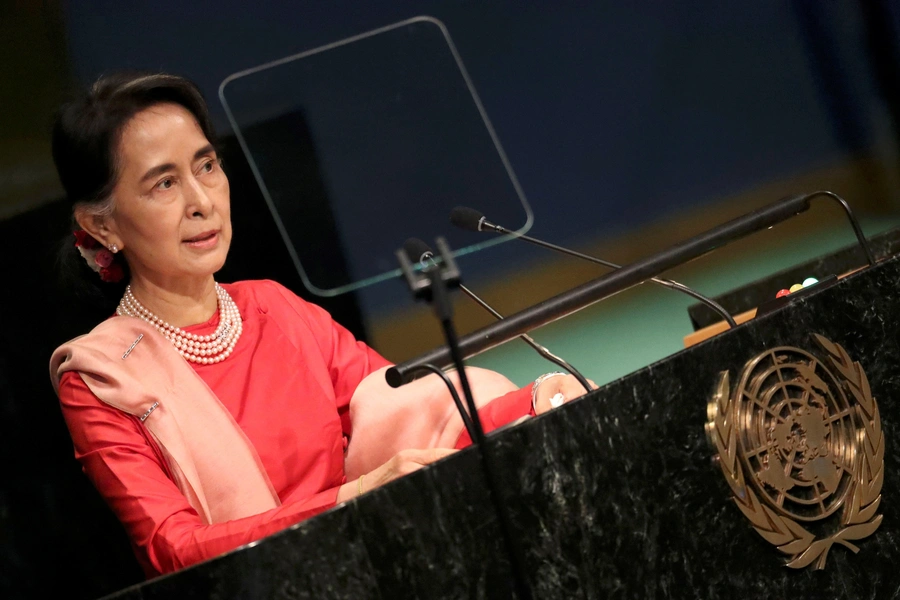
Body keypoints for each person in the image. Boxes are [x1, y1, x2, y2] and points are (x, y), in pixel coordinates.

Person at [48, 72, 594, 579]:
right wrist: (351, 498)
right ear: (102, 224)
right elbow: (177, 550)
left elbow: (414, 415)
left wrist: (537, 403)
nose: (201, 202)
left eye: (207, 166)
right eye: (163, 184)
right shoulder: (100, 378)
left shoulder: (274, 308)